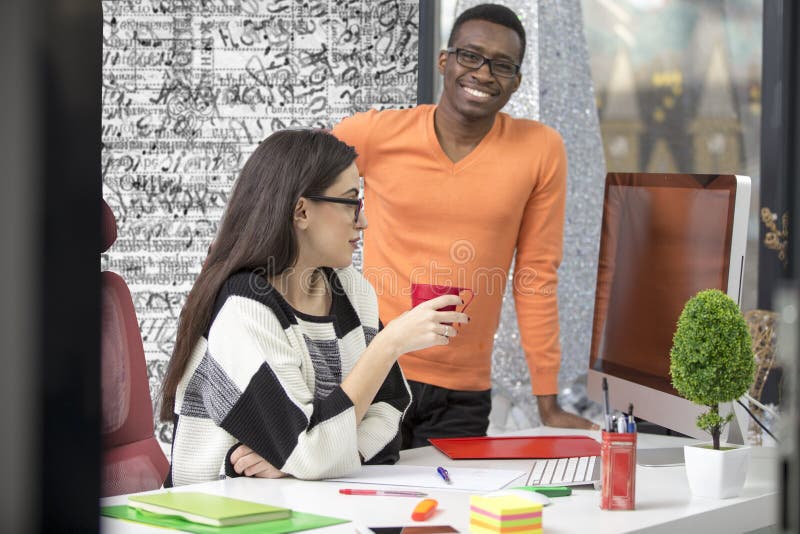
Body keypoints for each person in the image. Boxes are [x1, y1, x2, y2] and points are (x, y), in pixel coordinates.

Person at [330, 3, 597, 448]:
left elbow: (536, 275)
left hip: (463, 393)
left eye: (501, 65)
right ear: (445, 61)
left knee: (449, 516)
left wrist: (547, 401)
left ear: (516, 81)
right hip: (372, 374)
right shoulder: (375, 135)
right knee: (362, 513)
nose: (483, 73)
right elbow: (294, 195)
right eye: (470, 56)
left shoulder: (540, 150)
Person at [159, 129, 469, 485]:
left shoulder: (351, 290)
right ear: (302, 211)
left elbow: (389, 413)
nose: (363, 221)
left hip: (308, 499)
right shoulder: (245, 308)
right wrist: (388, 344)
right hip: (220, 512)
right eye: (351, 202)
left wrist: (305, 459)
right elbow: (311, 452)